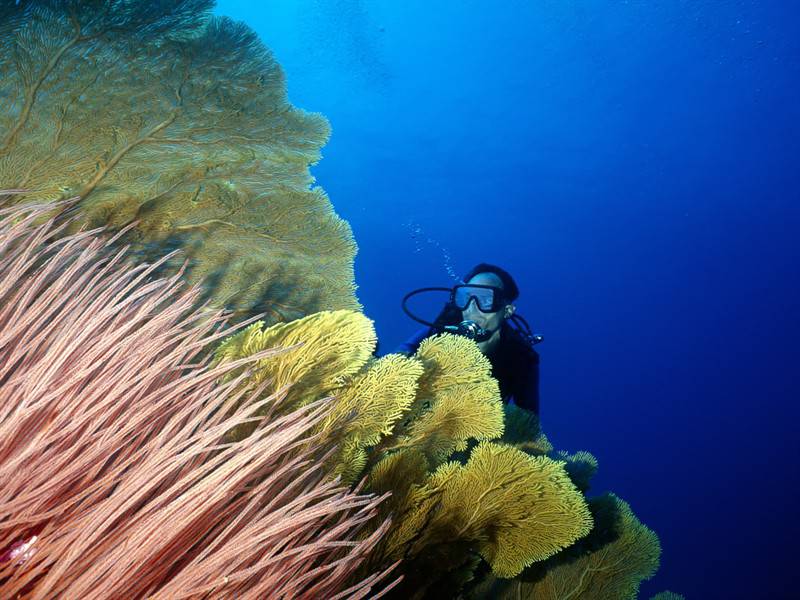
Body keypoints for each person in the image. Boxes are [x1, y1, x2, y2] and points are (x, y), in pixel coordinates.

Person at [397, 263, 541, 415]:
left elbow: (528, 419)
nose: (471, 309)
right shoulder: (443, 329)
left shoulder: (522, 357)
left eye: (485, 299)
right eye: (465, 297)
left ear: (507, 311)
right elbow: (402, 353)